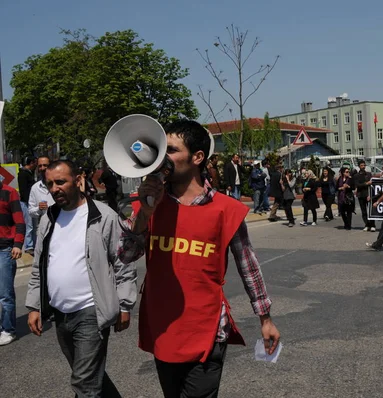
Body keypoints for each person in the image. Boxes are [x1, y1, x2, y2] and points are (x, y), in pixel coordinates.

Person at [117, 120, 280, 396]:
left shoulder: (226, 210)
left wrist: (265, 318)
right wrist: (145, 213)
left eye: (171, 150)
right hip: (163, 329)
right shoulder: (150, 205)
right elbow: (126, 255)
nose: (161, 158)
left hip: (207, 331)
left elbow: (248, 267)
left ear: (197, 157)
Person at [25, 160, 136, 395]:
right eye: (50, 184)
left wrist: (125, 305)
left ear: (78, 181)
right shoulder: (49, 219)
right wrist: (35, 305)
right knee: (91, 376)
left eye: (60, 182)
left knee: (84, 383)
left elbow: (122, 263)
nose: (55, 188)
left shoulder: (103, 216)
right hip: (60, 314)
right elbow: (39, 266)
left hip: (91, 312)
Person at [0, 178, 25, 346]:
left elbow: (20, 222)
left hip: (4, 249)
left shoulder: (9, 192)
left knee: (5, 294)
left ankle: (8, 330)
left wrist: (17, 244)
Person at [28, 156, 54, 236]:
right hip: (44, 230)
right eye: (40, 166)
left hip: (62, 226)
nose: (42, 168)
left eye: (45, 165)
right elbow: (31, 211)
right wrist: (39, 209)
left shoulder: (60, 184)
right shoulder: (35, 188)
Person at [18, 156, 36, 254]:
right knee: (29, 225)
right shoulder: (23, 174)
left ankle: (32, 244)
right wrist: (29, 201)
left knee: (32, 225)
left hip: (29, 202)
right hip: (26, 203)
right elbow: (24, 190)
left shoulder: (27, 173)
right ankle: (29, 246)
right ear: (31, 163)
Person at [354, 160, 376, 232]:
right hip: (361, 195)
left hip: (368, 195)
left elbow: (372, 185)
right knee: (364, 211)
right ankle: (367, 225)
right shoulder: (356, 176)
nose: (363, 167)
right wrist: (366, 183)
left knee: (370, 210)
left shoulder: (369, 174)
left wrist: (370, 194)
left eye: (364, 165)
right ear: (359, 166)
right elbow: (358, 185)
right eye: (361, 165)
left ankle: (372, 225)